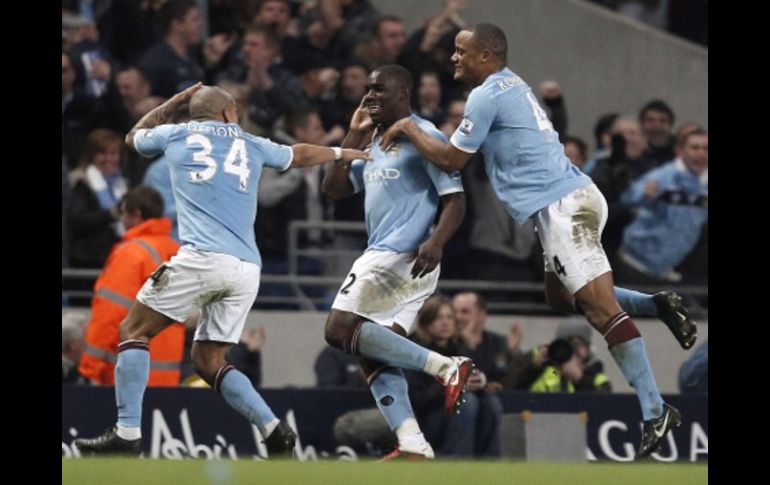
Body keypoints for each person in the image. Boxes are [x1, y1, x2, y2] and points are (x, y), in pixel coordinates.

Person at [378, 23, 694, 459]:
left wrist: (409, 129)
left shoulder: (486, 93)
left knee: (603, 311)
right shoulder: (509, 86)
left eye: (460, 50)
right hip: (562, 203)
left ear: (486, 56)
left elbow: (453, 158)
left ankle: (655, 410)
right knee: (561, 297)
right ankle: (656, 304)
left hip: (563, 206)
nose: (453, 57)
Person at [73, 82, 369, 457]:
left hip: (201, 258)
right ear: (229, 114)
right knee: (209, 360)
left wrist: (174, 101)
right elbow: (299, 154)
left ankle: (127, 432)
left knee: (132, 330)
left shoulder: (176, 133)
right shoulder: (251, 142)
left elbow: (133, 137)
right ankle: (274, 428)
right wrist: (343, 151)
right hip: (246, 267)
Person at [321, 64, 472, 460]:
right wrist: (352, 135)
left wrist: (436, 242)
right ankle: (411, 441)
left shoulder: (424, 136)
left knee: (339, 330)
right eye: (367, 90)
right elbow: (334, 189)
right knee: (374, 352)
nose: (369, 96)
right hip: (393, 257)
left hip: (401, 254)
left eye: (378, 90)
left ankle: (445, 367)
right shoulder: (371, 140)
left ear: (403, 94)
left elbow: (455, 199)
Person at [78, 186, 184, 386]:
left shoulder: (131, 254)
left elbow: (109, 314)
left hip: (129, 376)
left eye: (123, 213)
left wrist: (90, 368)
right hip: (167, 376)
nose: (121, 220)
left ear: (136, 215)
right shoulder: (175, 252)